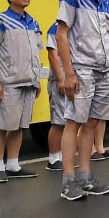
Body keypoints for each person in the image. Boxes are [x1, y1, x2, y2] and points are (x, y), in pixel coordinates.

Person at [55, 0, 109, 201]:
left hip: (102, 71)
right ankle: (68, 181)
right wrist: (69, 73)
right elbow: (61, 36)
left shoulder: (104, 2)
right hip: (82, 70)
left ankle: (85, 177)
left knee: (91, 123)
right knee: (74, 122)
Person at [0, 0, 43, 183]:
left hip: (29, 83)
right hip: (8, 83)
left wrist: (38, 79)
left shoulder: (33, 22)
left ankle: (13, 164)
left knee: (19, 126)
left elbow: (36, 53)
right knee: (1, 125)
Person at [91, 3, 109, 161]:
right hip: (95, 75)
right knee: (91, 115)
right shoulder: (95, 29)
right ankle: (90, 148)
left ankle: (100, 147)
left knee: (103, 115)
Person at [45, 22, 66, 171]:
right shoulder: (56, 28)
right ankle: (53, 158)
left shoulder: (75, 25)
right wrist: (60, 79)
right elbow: (52, 55)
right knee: (58, 121)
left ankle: (62, 156)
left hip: (73, 81)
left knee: (68, 122)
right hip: (60, 80)